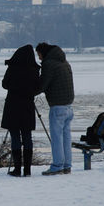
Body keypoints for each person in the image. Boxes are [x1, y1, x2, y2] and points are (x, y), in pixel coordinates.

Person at [35, 42, 75, 175]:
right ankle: (67, 165)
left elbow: (41, 85)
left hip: (57, 106)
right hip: (69, 105)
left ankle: (57, 165)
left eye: (39, 55)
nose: (39, 58)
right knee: (66, 137)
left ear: (43, 52)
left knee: (57, 138)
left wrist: (29, 89)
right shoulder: (64, 62)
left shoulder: (49, 64)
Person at [1, 45, 40, 177]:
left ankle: (17, 169)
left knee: (15, 137)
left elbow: (5, 84)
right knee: (27, 136)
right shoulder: (34, 69)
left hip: (12, 105)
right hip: (27, 106)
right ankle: (27, 170)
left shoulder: (13, 67)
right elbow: (37, 88)